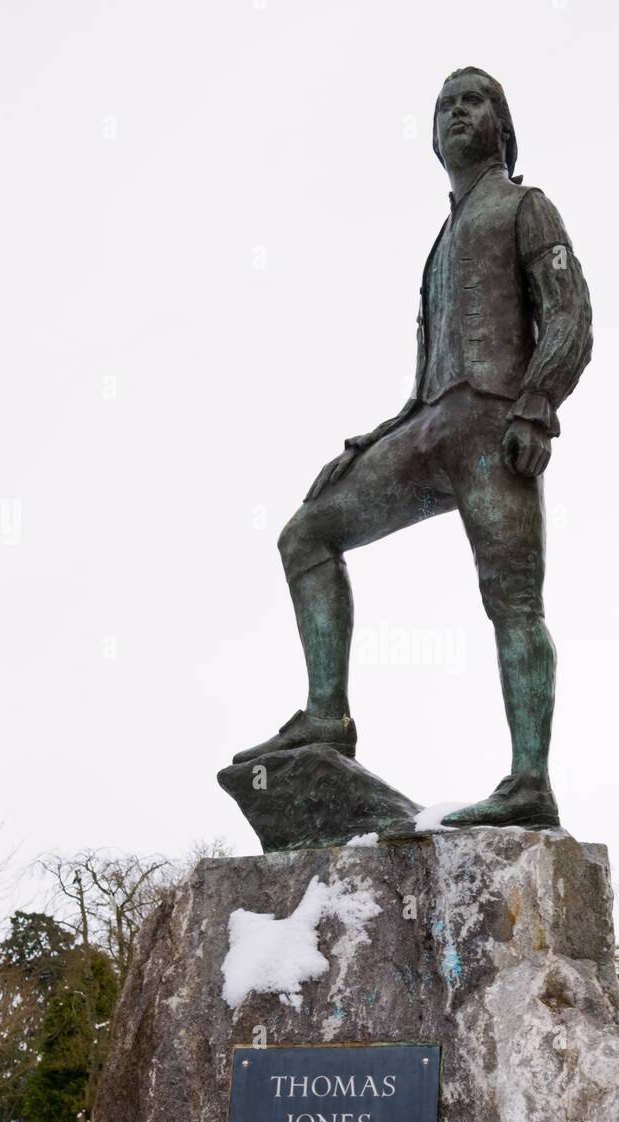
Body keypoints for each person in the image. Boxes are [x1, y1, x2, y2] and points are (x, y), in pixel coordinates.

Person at [233, 67, 592, 828]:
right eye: (444, 106)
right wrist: (371, 441)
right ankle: (326, 714)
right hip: (426, 427)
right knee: (305, 533)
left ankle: (529, 781)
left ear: (502, 124)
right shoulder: (440, 241)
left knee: (513, 602)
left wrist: (535, 406)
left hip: (493, 428)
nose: (456, 113)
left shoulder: (525, 207)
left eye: (473, 101)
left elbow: (569, 316)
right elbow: (428, 372)